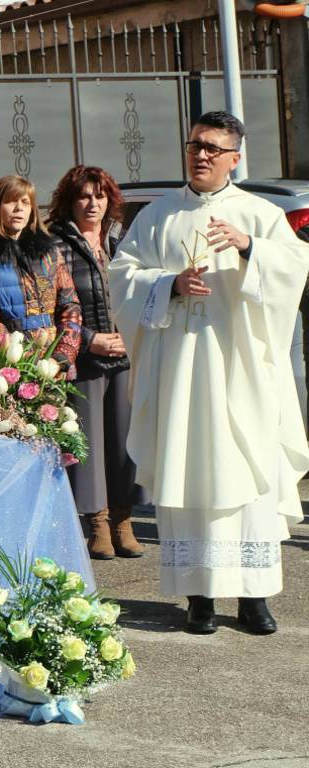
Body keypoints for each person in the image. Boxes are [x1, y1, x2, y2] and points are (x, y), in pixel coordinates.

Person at [108, 111, 309, 635]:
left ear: (235, 158)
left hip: (242, 368)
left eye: (213, 148)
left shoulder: (259, 214)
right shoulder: (156, 216)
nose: (200, 154)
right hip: (182, 372)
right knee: (191, 470)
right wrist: (169, 285)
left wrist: (248, 249)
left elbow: (294, 269)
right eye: (195, 144)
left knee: (249, 474)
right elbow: (122, 276)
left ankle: (255, 598)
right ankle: (199, 595)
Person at [47, 166, 144, 560]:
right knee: (88, 448)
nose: (93, 203)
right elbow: (51, 304)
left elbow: (139, 289)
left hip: (125, 354)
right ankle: (98, 524)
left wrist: (129, 334)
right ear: (70, 201)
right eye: (84, 196)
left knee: (124, 443)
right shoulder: (54, 243)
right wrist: (89, 341)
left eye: (100, 196)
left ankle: (124, 520)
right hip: (84, 358)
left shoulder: (120, 239)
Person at [0, 175, 82, 373]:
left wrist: (61, 357)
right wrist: (20, 359)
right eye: (11, 201)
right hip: (11, 367)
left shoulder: (50, 253)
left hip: (55, 367)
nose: (19, 208)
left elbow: (70, 306)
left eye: (25, 202)